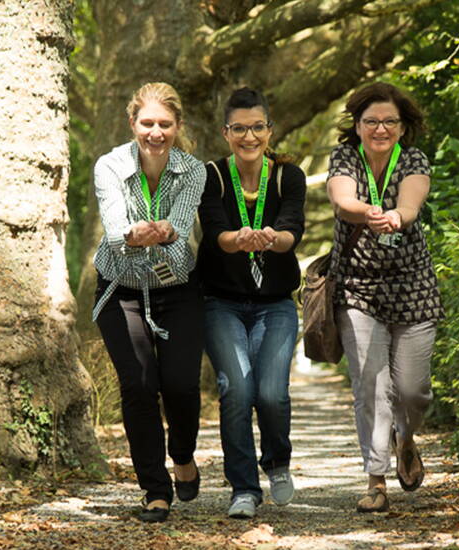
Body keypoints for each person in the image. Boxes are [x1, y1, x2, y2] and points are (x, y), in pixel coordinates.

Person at [326, 82, 443, 513]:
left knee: (413, 392)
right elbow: (342, 200)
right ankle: (375, 480)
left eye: (389, 121)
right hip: (357, 287)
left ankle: (405, 438)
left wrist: (396, 215)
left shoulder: (412, 158)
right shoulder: (344, 157)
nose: (380, 128)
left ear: (402, 125)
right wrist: (367, 212)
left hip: (413, 286)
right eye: (371, 121)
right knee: (371, 386)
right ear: (357, 126)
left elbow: (411, 203)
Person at [91, 82, 206, 523]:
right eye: (147, 123)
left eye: (164, 124)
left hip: (177, 289)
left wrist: (167, 233)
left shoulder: (192, 170)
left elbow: (179, 232)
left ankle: (182, 455)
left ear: (177, 127)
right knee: (139, 385)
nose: (155, 133)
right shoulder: (110, 165)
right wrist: (132, 236)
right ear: (132, 123)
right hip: (121, 290)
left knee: (179, 384)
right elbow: (116, 228)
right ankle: (155, 490)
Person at [197, 87, 306, 519]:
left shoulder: (287, 175)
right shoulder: (211, 176)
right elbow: (216, 230)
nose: (249, 136)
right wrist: (237, 239)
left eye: (257, 127)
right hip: (220, 303)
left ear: (269, 130)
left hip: (276, 303)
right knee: (237, 390)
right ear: (226, 132)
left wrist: (273, 239)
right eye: (239, 128)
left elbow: (291, 228)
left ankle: (277, 462)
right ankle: (244, 487)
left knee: (271, 393)